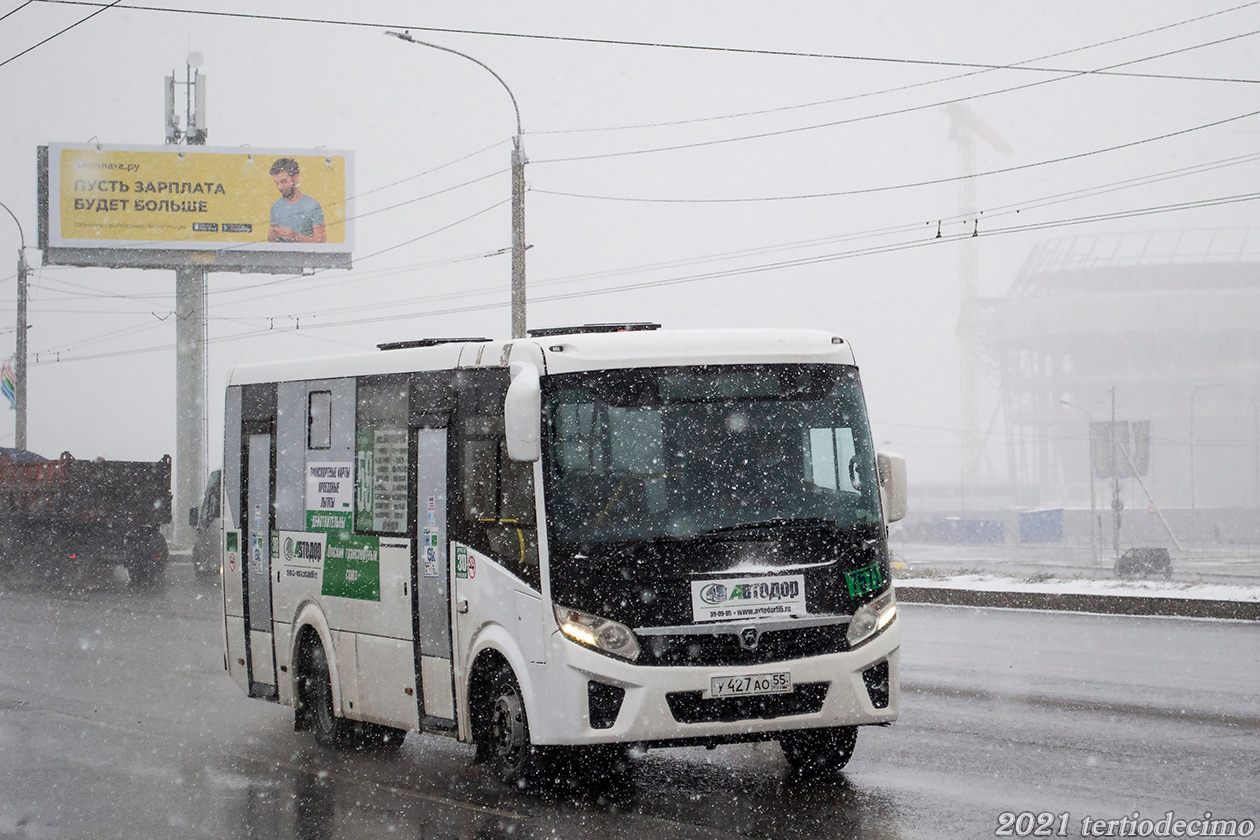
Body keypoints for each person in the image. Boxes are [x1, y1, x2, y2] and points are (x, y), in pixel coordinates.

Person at [268, 158, 326, 243]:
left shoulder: (313, 205)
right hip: (281, 256)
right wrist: (271, 236)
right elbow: (272, 242)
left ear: (295, 178)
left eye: (283, 181)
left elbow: (321, 241)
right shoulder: (276, 206)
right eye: (277, 183)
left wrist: (296, 236)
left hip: (305, 256)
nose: (279, 187)